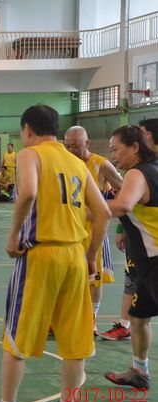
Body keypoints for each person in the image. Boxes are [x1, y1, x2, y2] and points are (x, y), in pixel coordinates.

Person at [0, 105, 110, 402]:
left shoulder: (30, 155)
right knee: (75, 344)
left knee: (17, 340)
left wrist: (13, 235)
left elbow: (28, 192)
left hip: (41, 255)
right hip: (75, 256)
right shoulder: (77, 162)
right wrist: (91, 256)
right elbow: (103, 212)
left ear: (27, 129)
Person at [104, 125, 158, 390]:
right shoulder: (150, 169)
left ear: (135, 147)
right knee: (138, 317)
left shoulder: (138, 173)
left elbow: (123, 205)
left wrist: (76, 211)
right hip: (146, 263)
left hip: (155, 260)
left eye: (116, 149)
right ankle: (139, 371)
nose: (113, 155)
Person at [64, 125, 123, 336]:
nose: (72, 150)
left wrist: (113, 215)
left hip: (93, 229)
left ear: (87, 143)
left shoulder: (101, 164)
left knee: (94, 277)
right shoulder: (65, 162)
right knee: (68, 275)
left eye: (76, 146)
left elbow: (125, 190)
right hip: (69, 228)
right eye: (68, 146)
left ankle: (91, 318)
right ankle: (64, 317)